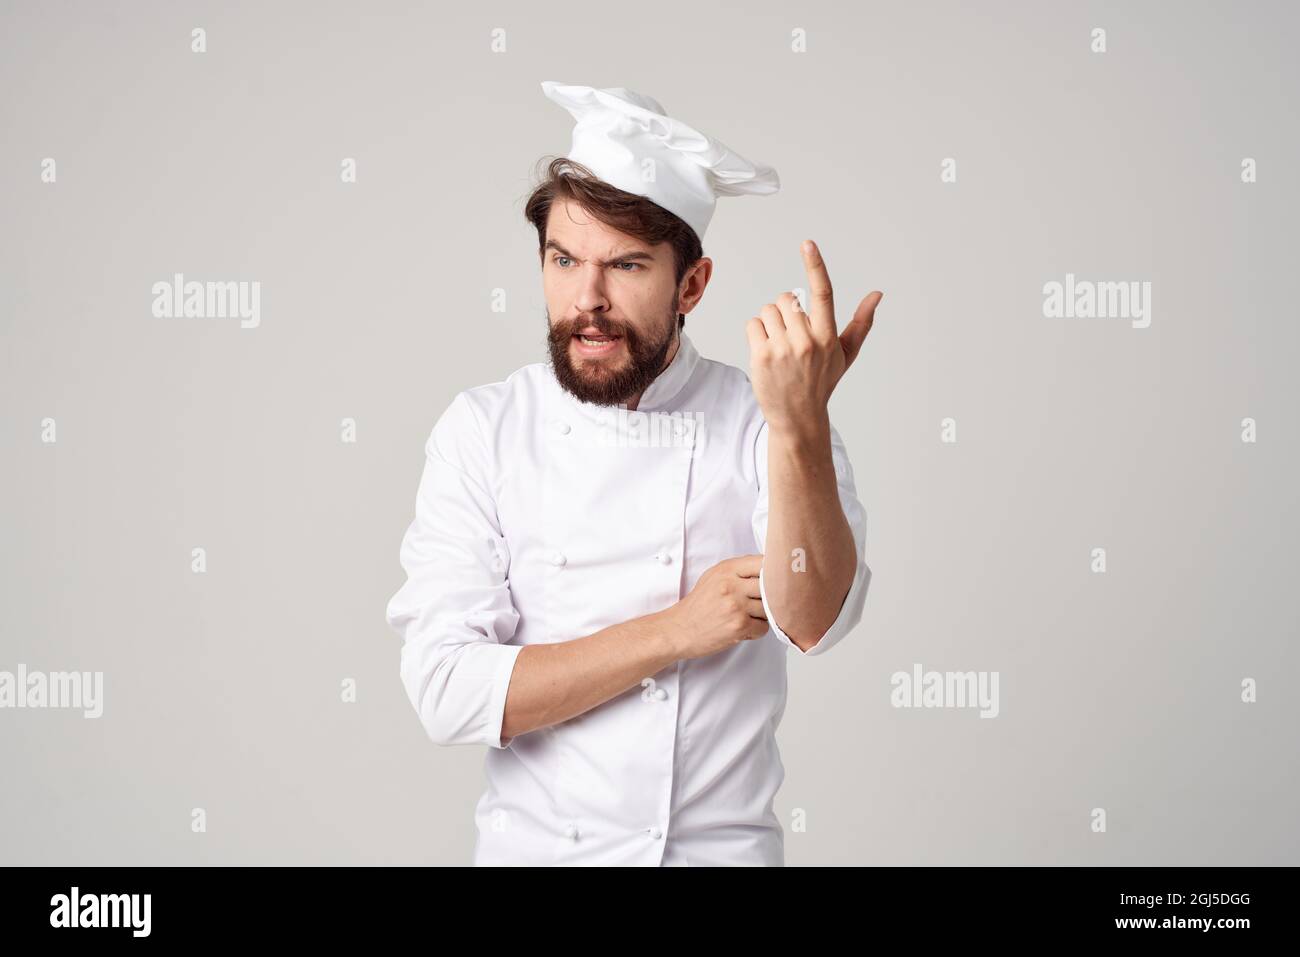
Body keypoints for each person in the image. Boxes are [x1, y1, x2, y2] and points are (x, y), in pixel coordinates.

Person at [385, 81, 882, 866]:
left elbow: (816, 618)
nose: (587, 299)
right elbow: (448, 690)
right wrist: (675, 631)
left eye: (624, 266)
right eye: (563, 259)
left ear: (691, 284)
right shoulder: (484, 429)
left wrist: (800, 426)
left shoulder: (764, 420)